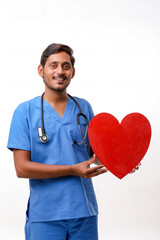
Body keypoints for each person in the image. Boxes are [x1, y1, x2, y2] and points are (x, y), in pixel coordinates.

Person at [7, 43, 108, 240]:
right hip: (45, 215)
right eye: (53, 65)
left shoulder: (83, 107)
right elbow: (22, 168)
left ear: (73, 72)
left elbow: (95, 155)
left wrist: (123, 162)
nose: (60, 71)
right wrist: (72, 169)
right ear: (41, 70)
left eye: (66, 66)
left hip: (84, 211)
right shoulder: (24, 112)